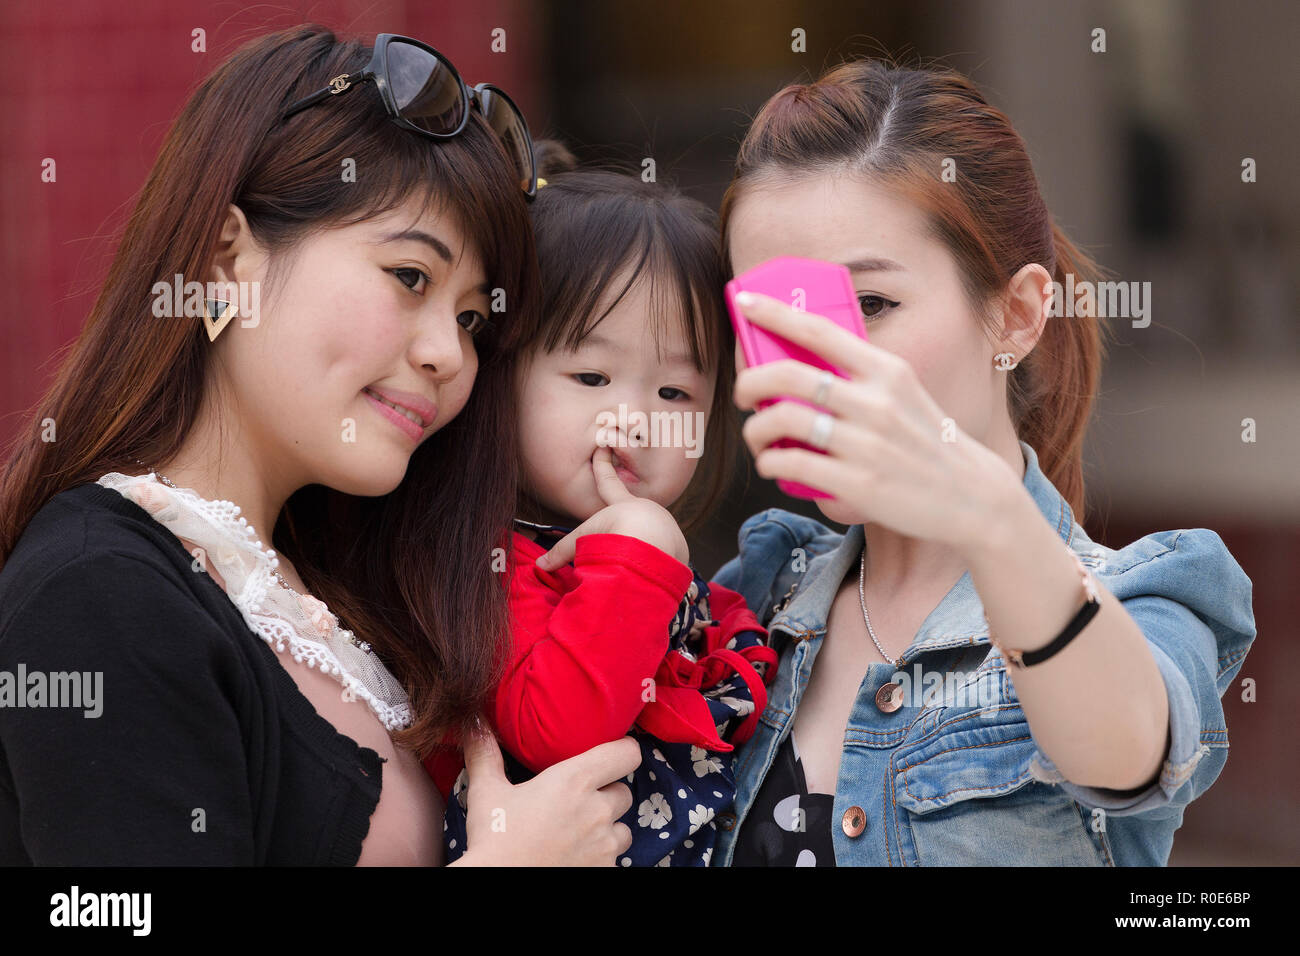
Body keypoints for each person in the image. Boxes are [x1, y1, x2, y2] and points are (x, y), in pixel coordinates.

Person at [0, 25, 637, 866]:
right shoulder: (96, 591)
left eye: (473, 318)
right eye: (411, 276)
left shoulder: (337, 587)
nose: (450, 354)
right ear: (226, 259)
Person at [708, 56, 1257, 866]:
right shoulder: (756, 597)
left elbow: (1127, 749)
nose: (825, 361)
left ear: (1019, 315)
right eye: (776, 323)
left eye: (871, 305)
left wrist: (983, 508)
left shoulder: (1146, 596)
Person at [426, 142, 776, 866]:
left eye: (675, 393)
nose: (633, 417)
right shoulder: (487, 566)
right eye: (590, 375)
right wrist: (644, 541)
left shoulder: (657, 568)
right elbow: (559, 729)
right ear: (499, 376)